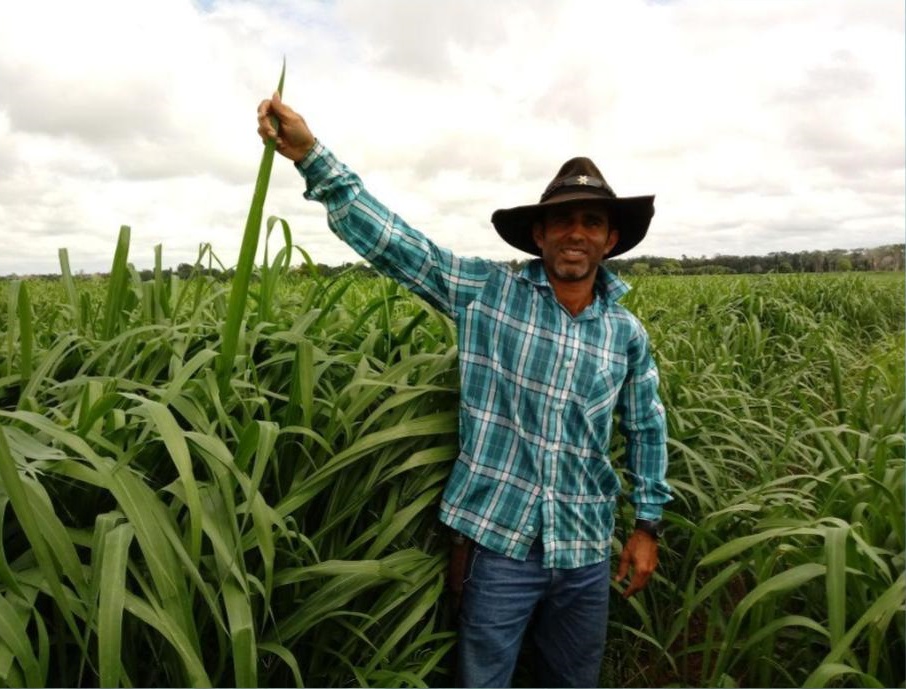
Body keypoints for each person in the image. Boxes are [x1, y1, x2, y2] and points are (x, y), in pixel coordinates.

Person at [257, 92, 672, 688]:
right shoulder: (489, 294)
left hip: (584, 547)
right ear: (539, 235)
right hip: (498, 548)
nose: (576, 233)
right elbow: (403, 248)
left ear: (609, 240)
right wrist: (311, 157)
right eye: (563, 220)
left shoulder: (625, 334)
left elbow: (646, 427)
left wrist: (646, 527)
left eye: (592, 222)